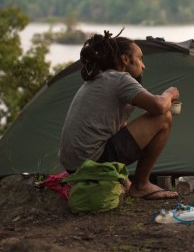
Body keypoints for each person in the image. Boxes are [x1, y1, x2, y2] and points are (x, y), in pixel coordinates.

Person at [59, 30, 180, 199]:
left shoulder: (101, 78)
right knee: (163, 118)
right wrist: (170, 93)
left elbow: (116, 130)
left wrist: (124, 180)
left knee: (132, 126)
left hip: (74, 165)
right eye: (140, 58)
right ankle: (142, 185)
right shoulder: (119, 79)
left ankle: (130, 182)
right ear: (124, 59)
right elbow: (158, 106)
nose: (143, 65)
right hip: (91, 162)